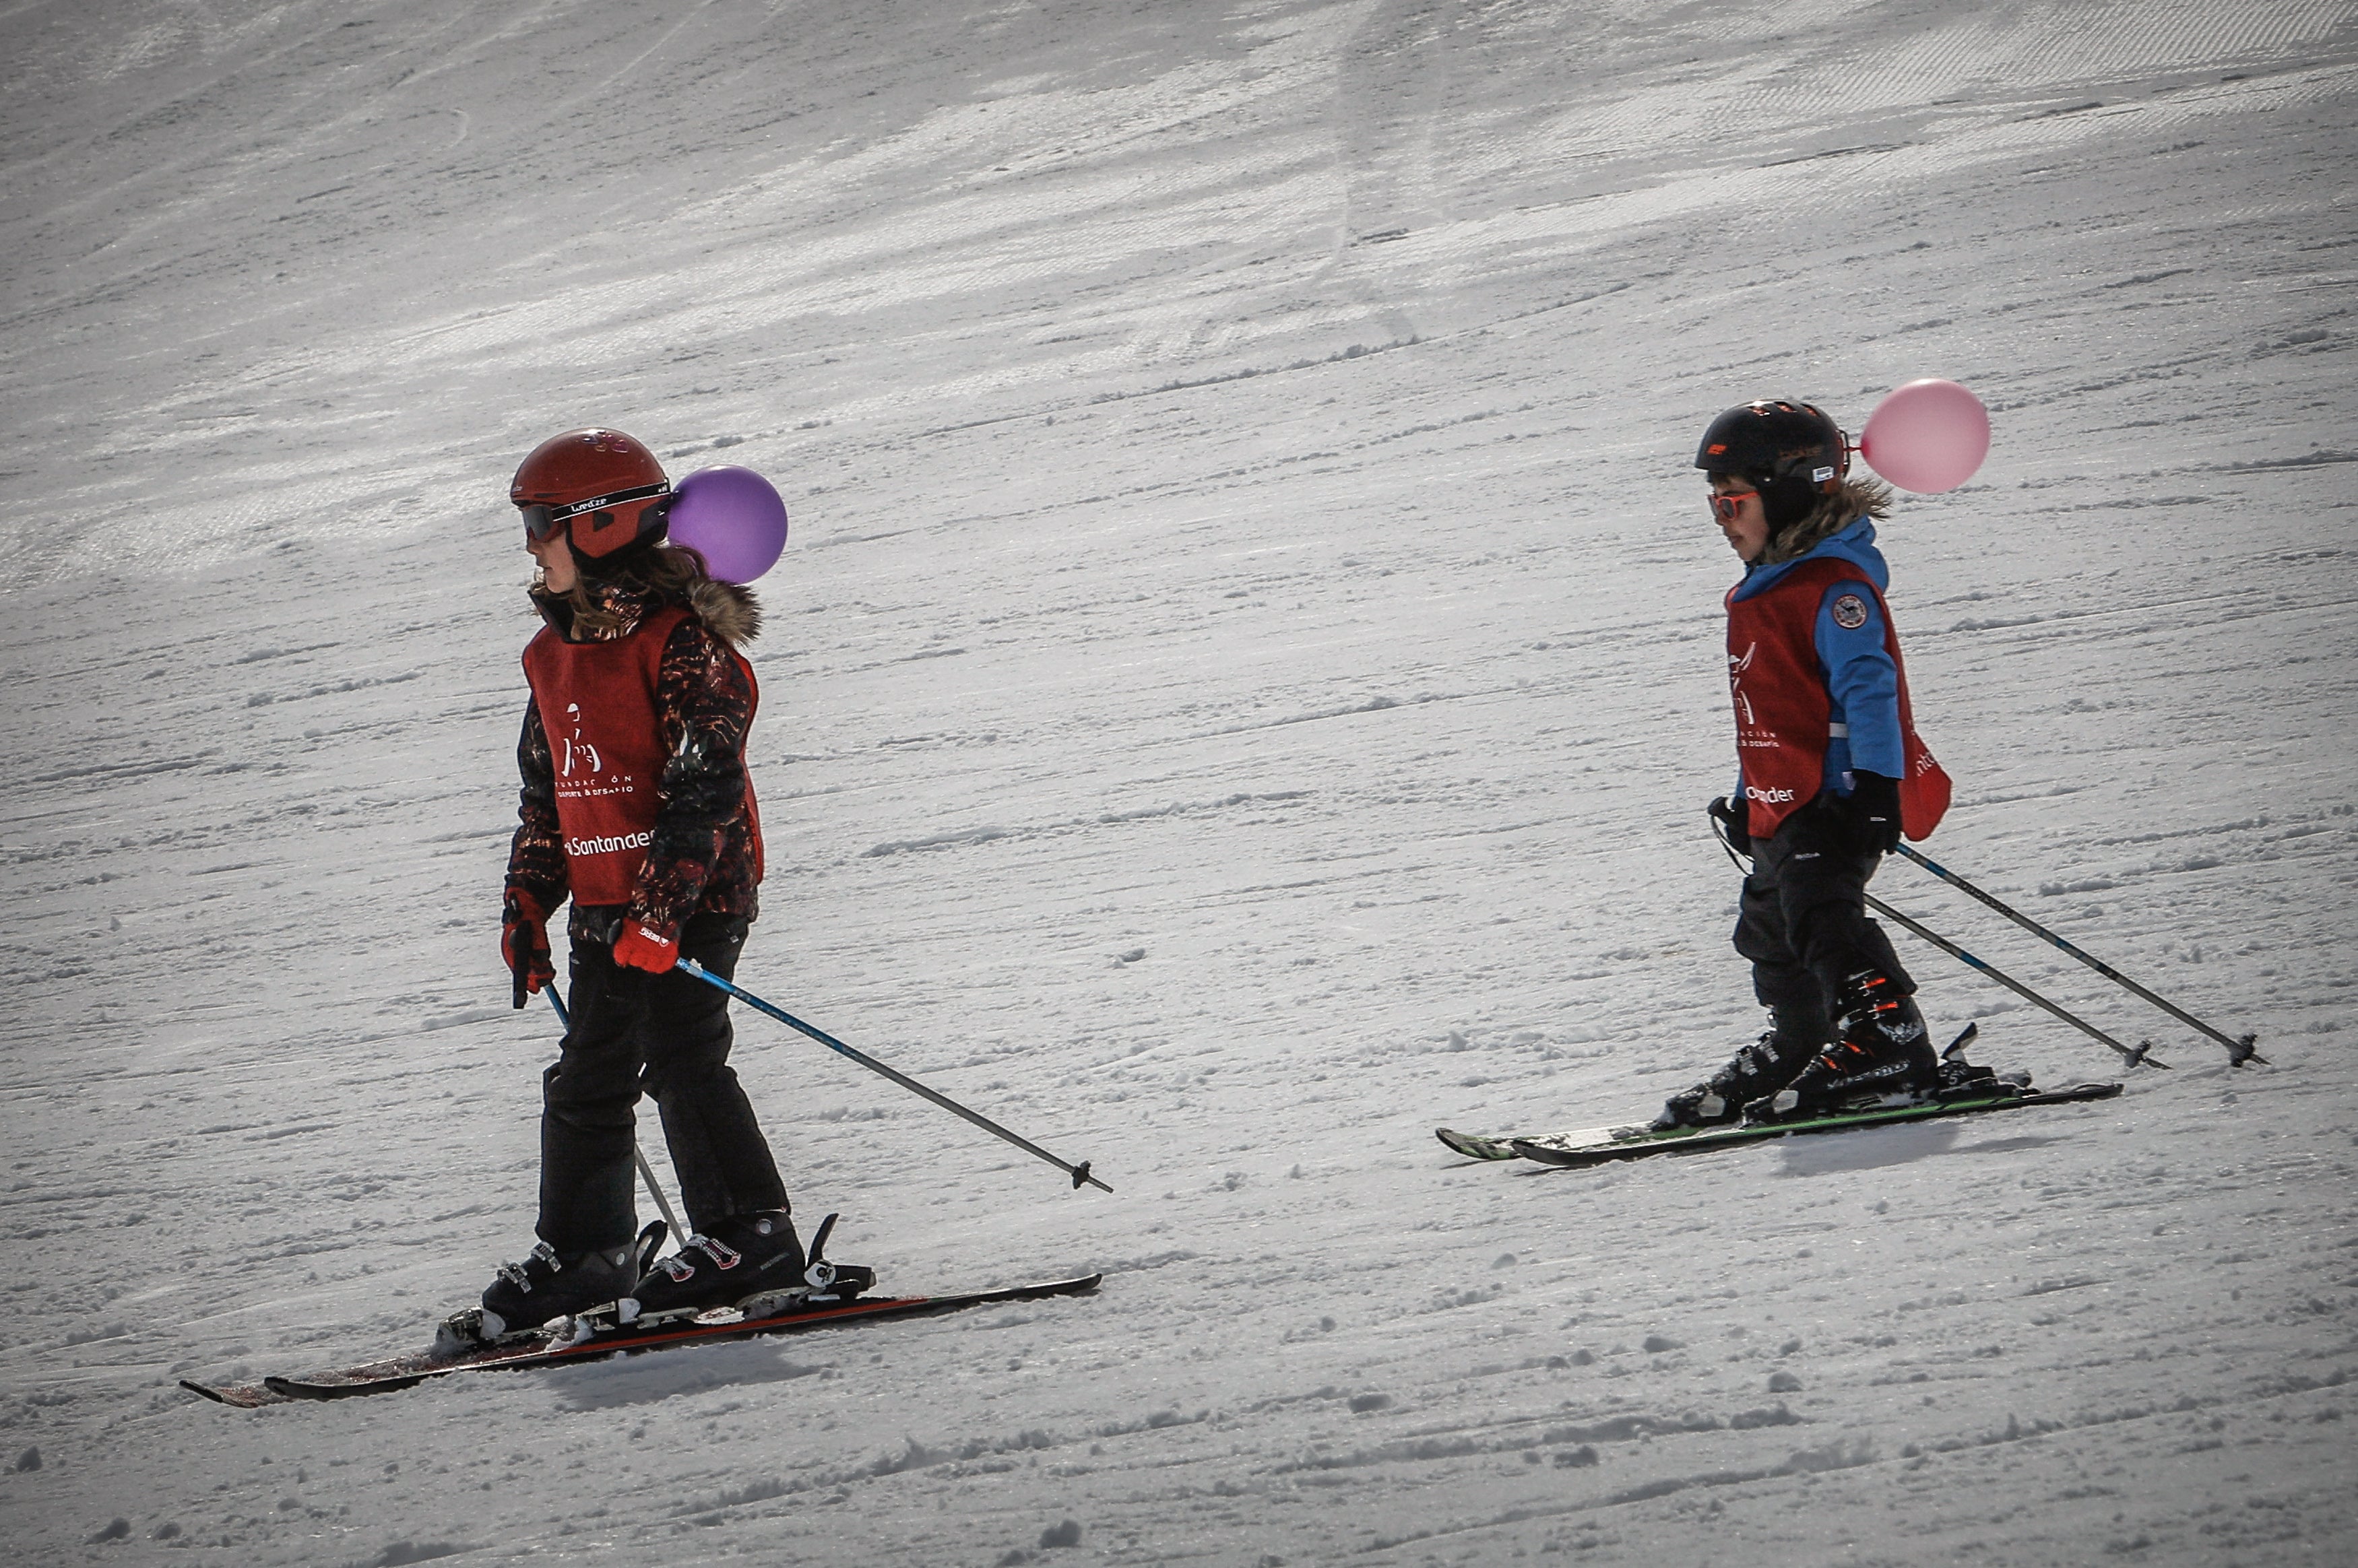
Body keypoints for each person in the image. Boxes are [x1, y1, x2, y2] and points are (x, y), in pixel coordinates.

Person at [470, 427, 810, 1340]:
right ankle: (588, 1254)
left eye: (541, 522)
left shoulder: (682, 644)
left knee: (681, 1058)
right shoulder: (551, 657)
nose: (530, 543)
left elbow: (707, 787)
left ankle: (751, 1235)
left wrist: (662, 913)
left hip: (693, 897)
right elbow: (547, 799)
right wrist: (529, 904)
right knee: (588, 1076)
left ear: (604, 525)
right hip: (607, 902)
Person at [1657, 399, 1954, 1130]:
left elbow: (1869, 689)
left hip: (1836, 795)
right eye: (1714, 506)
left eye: (1733, 503)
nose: (1723, 520)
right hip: (1778, 797)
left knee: (1823, 917)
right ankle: (1805, 1039)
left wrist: (1878, 788)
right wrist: (1742, 792)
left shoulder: (1834, 589)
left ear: (1788, 494)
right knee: (1768, 926)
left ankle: (1889, 1039)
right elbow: (1769, 709)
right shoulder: (1766, 592)